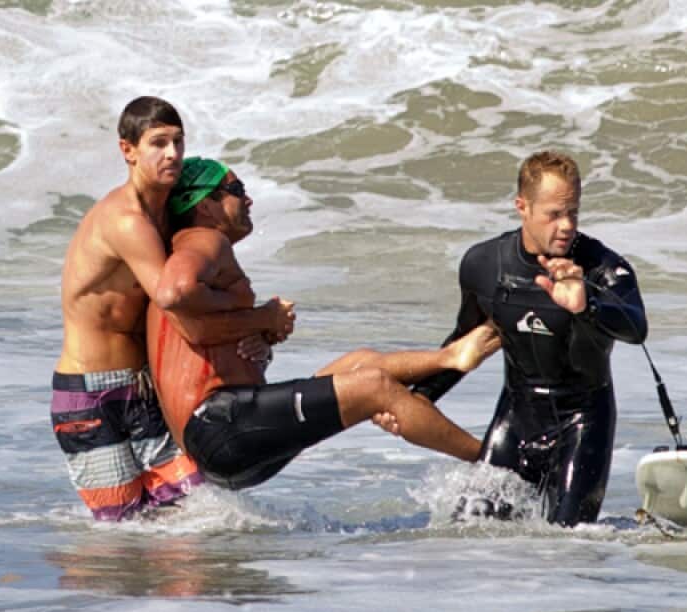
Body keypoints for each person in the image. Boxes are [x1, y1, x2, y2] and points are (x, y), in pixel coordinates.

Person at [146, 157, 500, 490]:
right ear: (205, 205)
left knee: (359, 364)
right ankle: (495, 462)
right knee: (374, 387)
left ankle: (450, 358)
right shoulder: (203, 239)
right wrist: (260, 316)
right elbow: (175, 291)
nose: (249, 200)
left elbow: (202, 334)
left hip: (228, 435)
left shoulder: (196, 248)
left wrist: (260, 333)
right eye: (237, 191)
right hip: (223, 427)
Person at [51, 97, 294, 521]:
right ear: (128, 150)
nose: (172, 154)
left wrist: (258, 334)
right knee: (122, 532)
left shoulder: (169, 219)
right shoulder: (127, 221)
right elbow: (177, 303)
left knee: (197, 513)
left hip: (146, 388)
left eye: (178, 142)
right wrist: (257, 316)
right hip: (91, 395)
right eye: (158, 143)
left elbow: (196, 298)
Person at [410, 150, 648, 526]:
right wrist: (414, 398)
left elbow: (636, 327)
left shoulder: (601, 267)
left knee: (568, 544)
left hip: (583, 424)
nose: (567, 225)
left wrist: (585, 306)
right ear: (522, 206)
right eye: (554, 214)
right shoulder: (485, 265)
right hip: (515, 421)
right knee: (464, 535)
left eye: (573, 212)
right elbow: (463, 344)